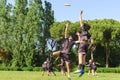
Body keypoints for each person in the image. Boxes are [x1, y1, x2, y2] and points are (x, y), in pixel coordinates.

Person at [74, 10, 93, 77]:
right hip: (86, 45)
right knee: (84, 59)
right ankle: (83, 70)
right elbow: (92, 41)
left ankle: (79, 69)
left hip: (82, 44)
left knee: (80, 57)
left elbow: (80, 21)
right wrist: (89, 46)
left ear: (84, 27)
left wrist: (80, 14)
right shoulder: (89, 33)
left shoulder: (83, 30)